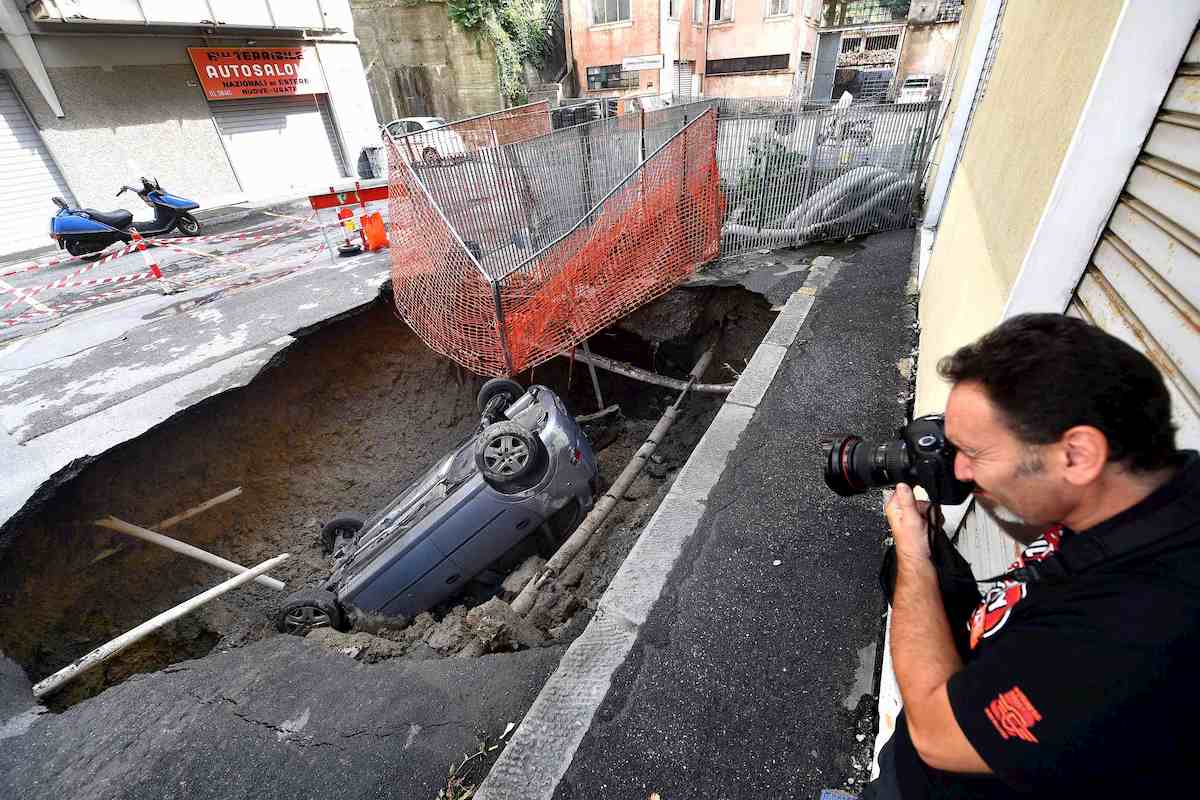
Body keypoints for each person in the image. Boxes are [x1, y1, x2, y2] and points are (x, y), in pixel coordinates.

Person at [865, 313, 1200, 799]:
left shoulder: (1131, 632)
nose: (957, 469)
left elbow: (938, 735)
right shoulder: (1155, 499)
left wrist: (913, 554)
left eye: (974, 453)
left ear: (1078, 456)